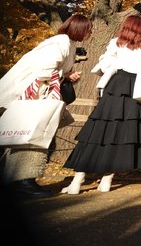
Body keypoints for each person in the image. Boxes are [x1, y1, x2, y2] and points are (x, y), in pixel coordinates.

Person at [0, 13, 92, 198]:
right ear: (80, 29)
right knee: (32, 136)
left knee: (25, 137)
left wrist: (67, 76)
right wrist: (63, 76)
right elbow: (44, 71)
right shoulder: (60, 43)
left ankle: (21, 180)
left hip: (29, 96)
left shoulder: (66, 43)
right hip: (30, 97)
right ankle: (23, 181)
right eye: (88, 30)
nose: (89, 34)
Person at [62, 15, 141, 194]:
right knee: (121, 136)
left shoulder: (116, 43)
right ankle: (107, 180)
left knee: (97, 132)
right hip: (137, 90)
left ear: (125, 27)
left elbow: (104, 66)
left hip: (116, 86)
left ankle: (77, 180)